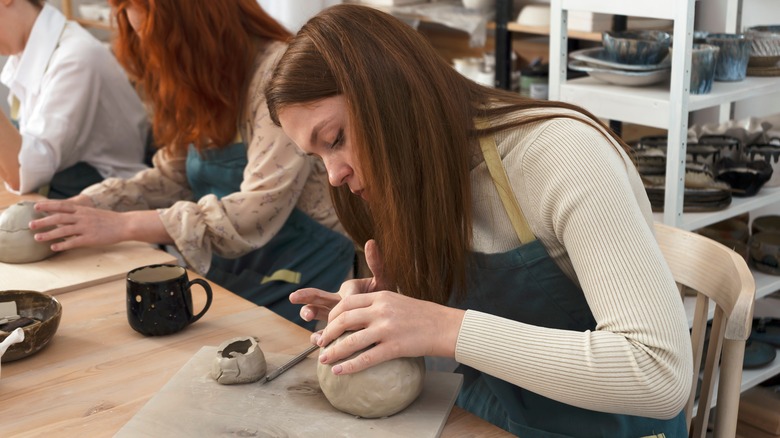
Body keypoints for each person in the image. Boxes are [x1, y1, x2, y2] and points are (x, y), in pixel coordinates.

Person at [264, 5, 693, 436]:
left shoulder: (561, 154)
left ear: (389, 95)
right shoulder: (419, 179)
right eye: (318, 158)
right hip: (492, 417)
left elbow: (658, 374)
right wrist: (397, 304)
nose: (334, 175)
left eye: (335, 139)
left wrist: (441, 326)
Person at [30, 0, 354, 330]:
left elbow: (257, 208)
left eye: (153, 36)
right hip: (239, 265)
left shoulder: (274, 76)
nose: (149, 50)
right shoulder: (204, 77)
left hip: (304, 263)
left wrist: (123, 225)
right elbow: (174, 174)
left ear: (195, 24)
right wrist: (90, 205)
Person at [0, 0, 149, 199]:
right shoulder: (25, 52)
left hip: (113, 198)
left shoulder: (75, 58)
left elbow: (21, 174)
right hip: (67, 185)